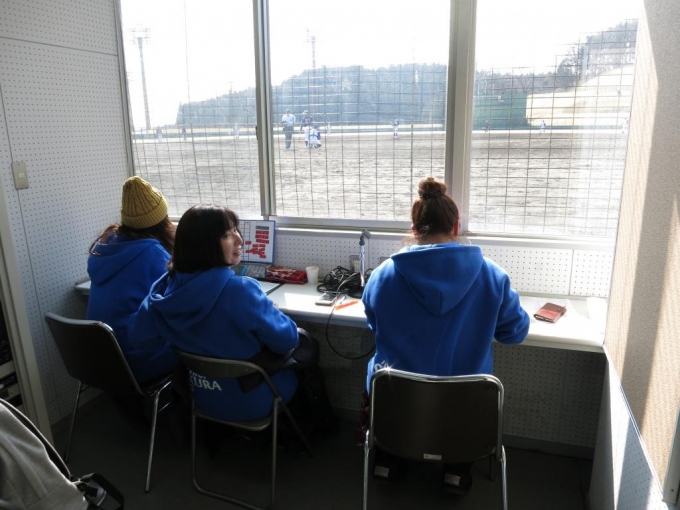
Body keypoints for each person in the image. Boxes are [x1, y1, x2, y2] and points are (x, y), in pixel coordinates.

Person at [361, 177, 529, 493]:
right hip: (465, 414)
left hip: (397, 408)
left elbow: (373, 324)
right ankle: (456, 470)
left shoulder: (383, 275)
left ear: (414, 229)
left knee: (378, 373)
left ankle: (388, 461)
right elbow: (515, 333)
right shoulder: (493, 275)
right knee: (465, 396)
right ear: (456, 226)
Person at [131, 204, 335, 434]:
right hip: (255, 398)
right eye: (227, 235)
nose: (239, 240)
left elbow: (140, 339)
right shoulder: (240, 291)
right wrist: (269, 310)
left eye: (236, 230)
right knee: (307, 353)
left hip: (201, 397)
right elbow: (287, 340)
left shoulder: (162, 291)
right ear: (204, 245)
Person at [87, 176, 177, 384]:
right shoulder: (154, 255)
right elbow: (181, 304)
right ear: (162, 221)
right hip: (139, 362)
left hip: (101, 362)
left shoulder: (104, 246)